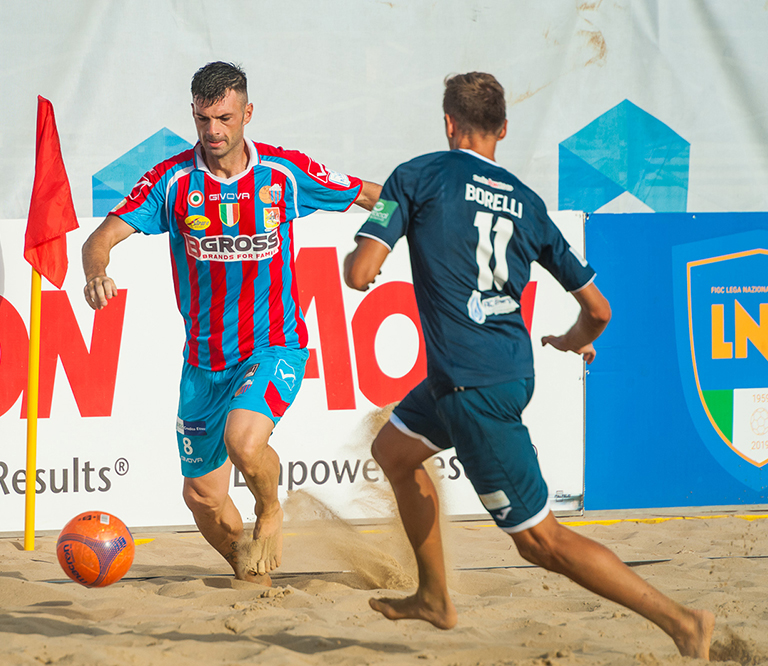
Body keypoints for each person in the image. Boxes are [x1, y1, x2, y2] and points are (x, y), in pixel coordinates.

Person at [342, 72, 714, 659]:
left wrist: (363, 256)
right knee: (394, 450)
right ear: (504, 130)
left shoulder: (416, 176)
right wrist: (571, 340)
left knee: (541, 542)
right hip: (498, 370)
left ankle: (682, 621)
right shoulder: (526, 201)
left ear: (447, 125)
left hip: (473, 386)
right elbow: (598, 310)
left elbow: (360, 274)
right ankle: (436, 596)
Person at [83, 61, 381, 585]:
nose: (213, 131)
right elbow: (98, 241)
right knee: (201, 497)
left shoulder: (286, 173)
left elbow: (379, 198)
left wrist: (376, 247)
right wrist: (95, 272)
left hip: (273, 347)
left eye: (223, 118)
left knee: (245, 443)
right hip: (203, 364)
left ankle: (270, 510)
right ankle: (254, 581)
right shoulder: (171, 180)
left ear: (247, 113)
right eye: (202, 120)